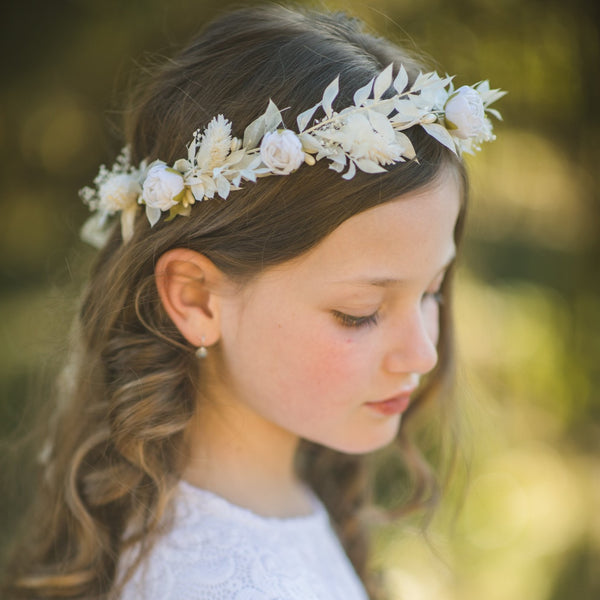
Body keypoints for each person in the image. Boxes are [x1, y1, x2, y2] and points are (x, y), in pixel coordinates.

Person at [1, 4, 504, 599]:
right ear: (196, 297)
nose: (422, 353)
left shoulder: (268, 504)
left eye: (432, 291)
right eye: (359, 313)